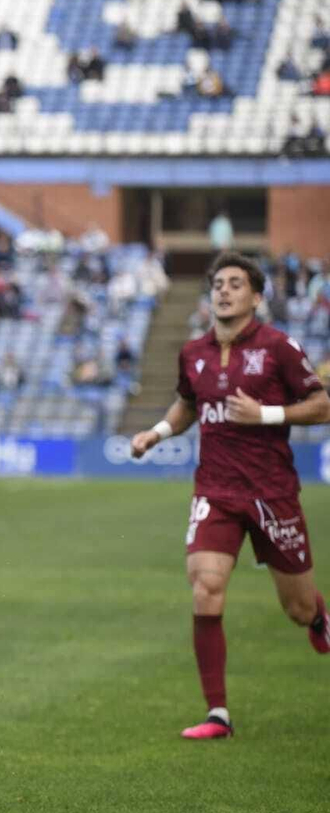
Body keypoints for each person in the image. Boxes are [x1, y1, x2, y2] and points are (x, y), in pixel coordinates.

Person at [130, 252, 330, 740]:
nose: (224, 290)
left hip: (272, 492)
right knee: (205, 585)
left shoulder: (279, 347)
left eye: (236, 283)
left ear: (256, 297)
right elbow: (187, 404)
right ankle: (217, 714)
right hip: (215, 490)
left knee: (297, 610)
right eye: (218, 283)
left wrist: (265, 414)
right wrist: (157, 432)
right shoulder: (193, 352)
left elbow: (322, 404)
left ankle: (319, 617)